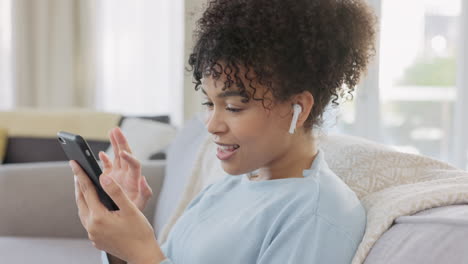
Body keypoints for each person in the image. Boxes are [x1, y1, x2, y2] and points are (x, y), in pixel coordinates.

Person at [69, 0, 377, 263]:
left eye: (233, 107)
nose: (211, 125)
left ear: (298, 107)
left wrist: (142, 251)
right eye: (209, 103)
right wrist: (121, 243)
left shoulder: (315, 216)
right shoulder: (227, 187)